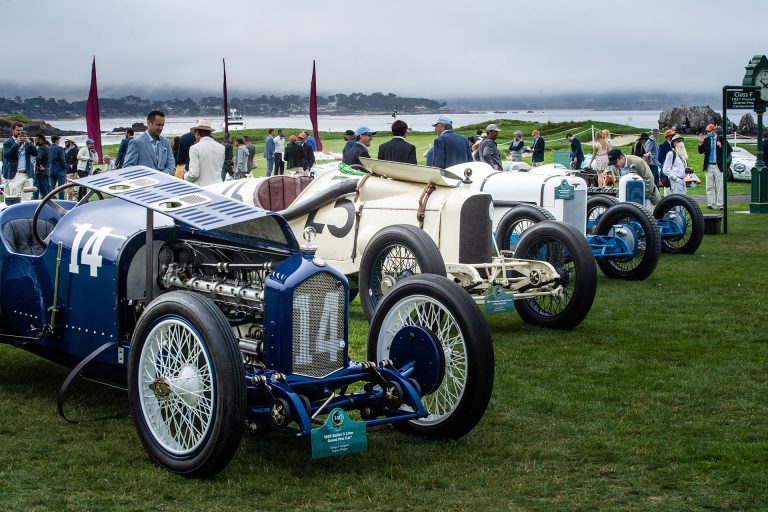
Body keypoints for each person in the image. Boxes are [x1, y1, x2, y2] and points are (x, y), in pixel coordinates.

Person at [697, 123, 731, 210]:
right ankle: (711, 204)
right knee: (709, 186)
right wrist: (700, 143)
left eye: (709, 131)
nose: (708, 132)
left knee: (720, 186)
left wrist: (721, 146)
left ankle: (720, 204)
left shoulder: (721, 139)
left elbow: (729, 150)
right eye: (707, 131)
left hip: (718, 165)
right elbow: (701, 151)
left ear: (713, 131)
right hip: (709, 166)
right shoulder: (707, 140)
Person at [2, 122, 38, 200]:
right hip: (15, 175)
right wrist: (17, 144)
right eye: (18, 130)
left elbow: (35, 153)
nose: (19, 133)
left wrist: (29, 142)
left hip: (27, 174)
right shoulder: (7, 143)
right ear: (13, 131)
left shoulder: (27, 143)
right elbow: (7, 156)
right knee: (15, 199)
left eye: (21, 131)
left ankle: (26, 212)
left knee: (27, 201)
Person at [185, 119, 224, 187]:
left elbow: (193, 174)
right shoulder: (221, 147)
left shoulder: (194, 148)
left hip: (203, 188)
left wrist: (185, 177)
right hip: (219, 186)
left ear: (197, 132)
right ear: (210, 132)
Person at [33, 134, 51, 199]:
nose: (35, 141)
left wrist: (38, 165)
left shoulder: (42, 148)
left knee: (43, 190)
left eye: (36, 140)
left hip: (41, 171)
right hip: (46, 170)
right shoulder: (47, 147)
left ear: (41, 140)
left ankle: (47, 203)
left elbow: (38, 158)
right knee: (47, 189)